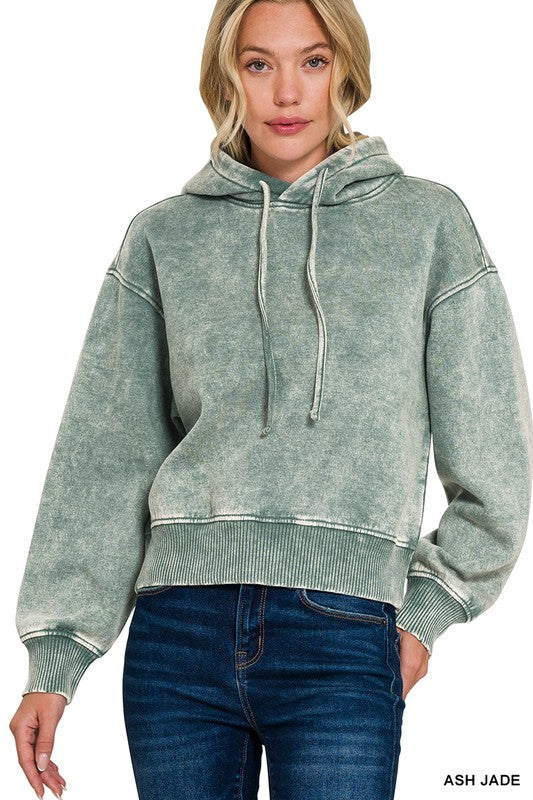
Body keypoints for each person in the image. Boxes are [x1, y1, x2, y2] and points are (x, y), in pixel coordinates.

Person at [9, 1, 533, 799]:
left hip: (344, 632)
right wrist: (57, 656)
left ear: (345, 71)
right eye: (258, 64)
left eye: (312, 61)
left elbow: (495, 453)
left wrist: (430, 607)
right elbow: (105, 456)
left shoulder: (425, 224)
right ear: (227, 77)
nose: (286, 92)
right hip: (177, 636)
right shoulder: (163, 236)